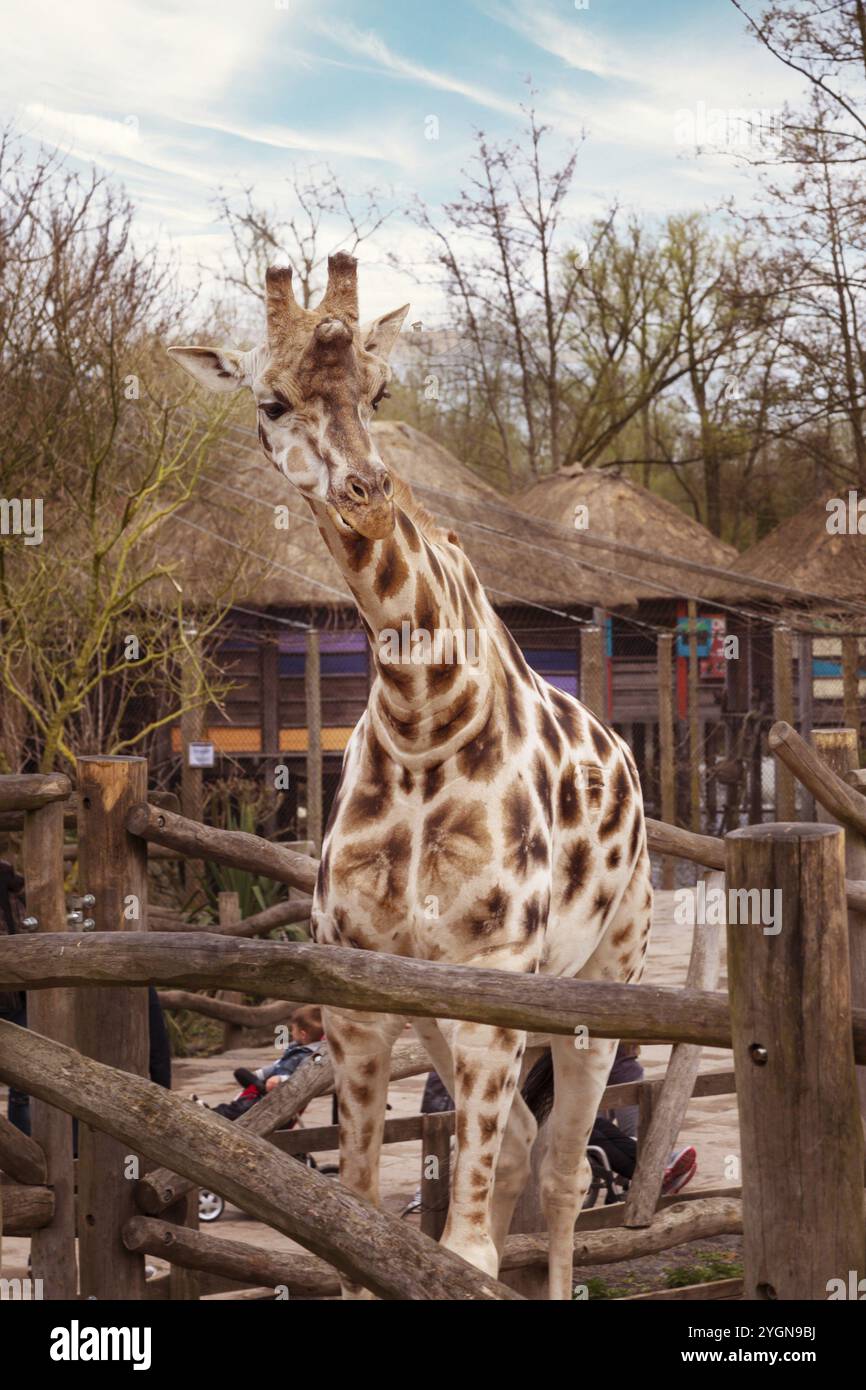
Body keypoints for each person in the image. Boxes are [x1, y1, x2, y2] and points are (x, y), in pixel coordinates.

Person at [213, 1005, 325, 1121]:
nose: (291, 1032)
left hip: (279, 1097)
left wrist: (280, 1079)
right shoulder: (296, 1048)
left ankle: (217, 1115)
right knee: (245, 1084)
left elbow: (303, 1077)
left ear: (303, 1034)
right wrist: (260, 1074)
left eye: (293, 1029)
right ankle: (220, 1110)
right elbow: (278, 1064)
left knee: (244, 1106)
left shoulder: (310, 1056)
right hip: (267, 1089)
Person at [0, 858, 30, 1134]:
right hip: (14, 999)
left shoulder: (17, 896)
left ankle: (26, 1156)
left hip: (18, 1000)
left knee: (23, 1085)